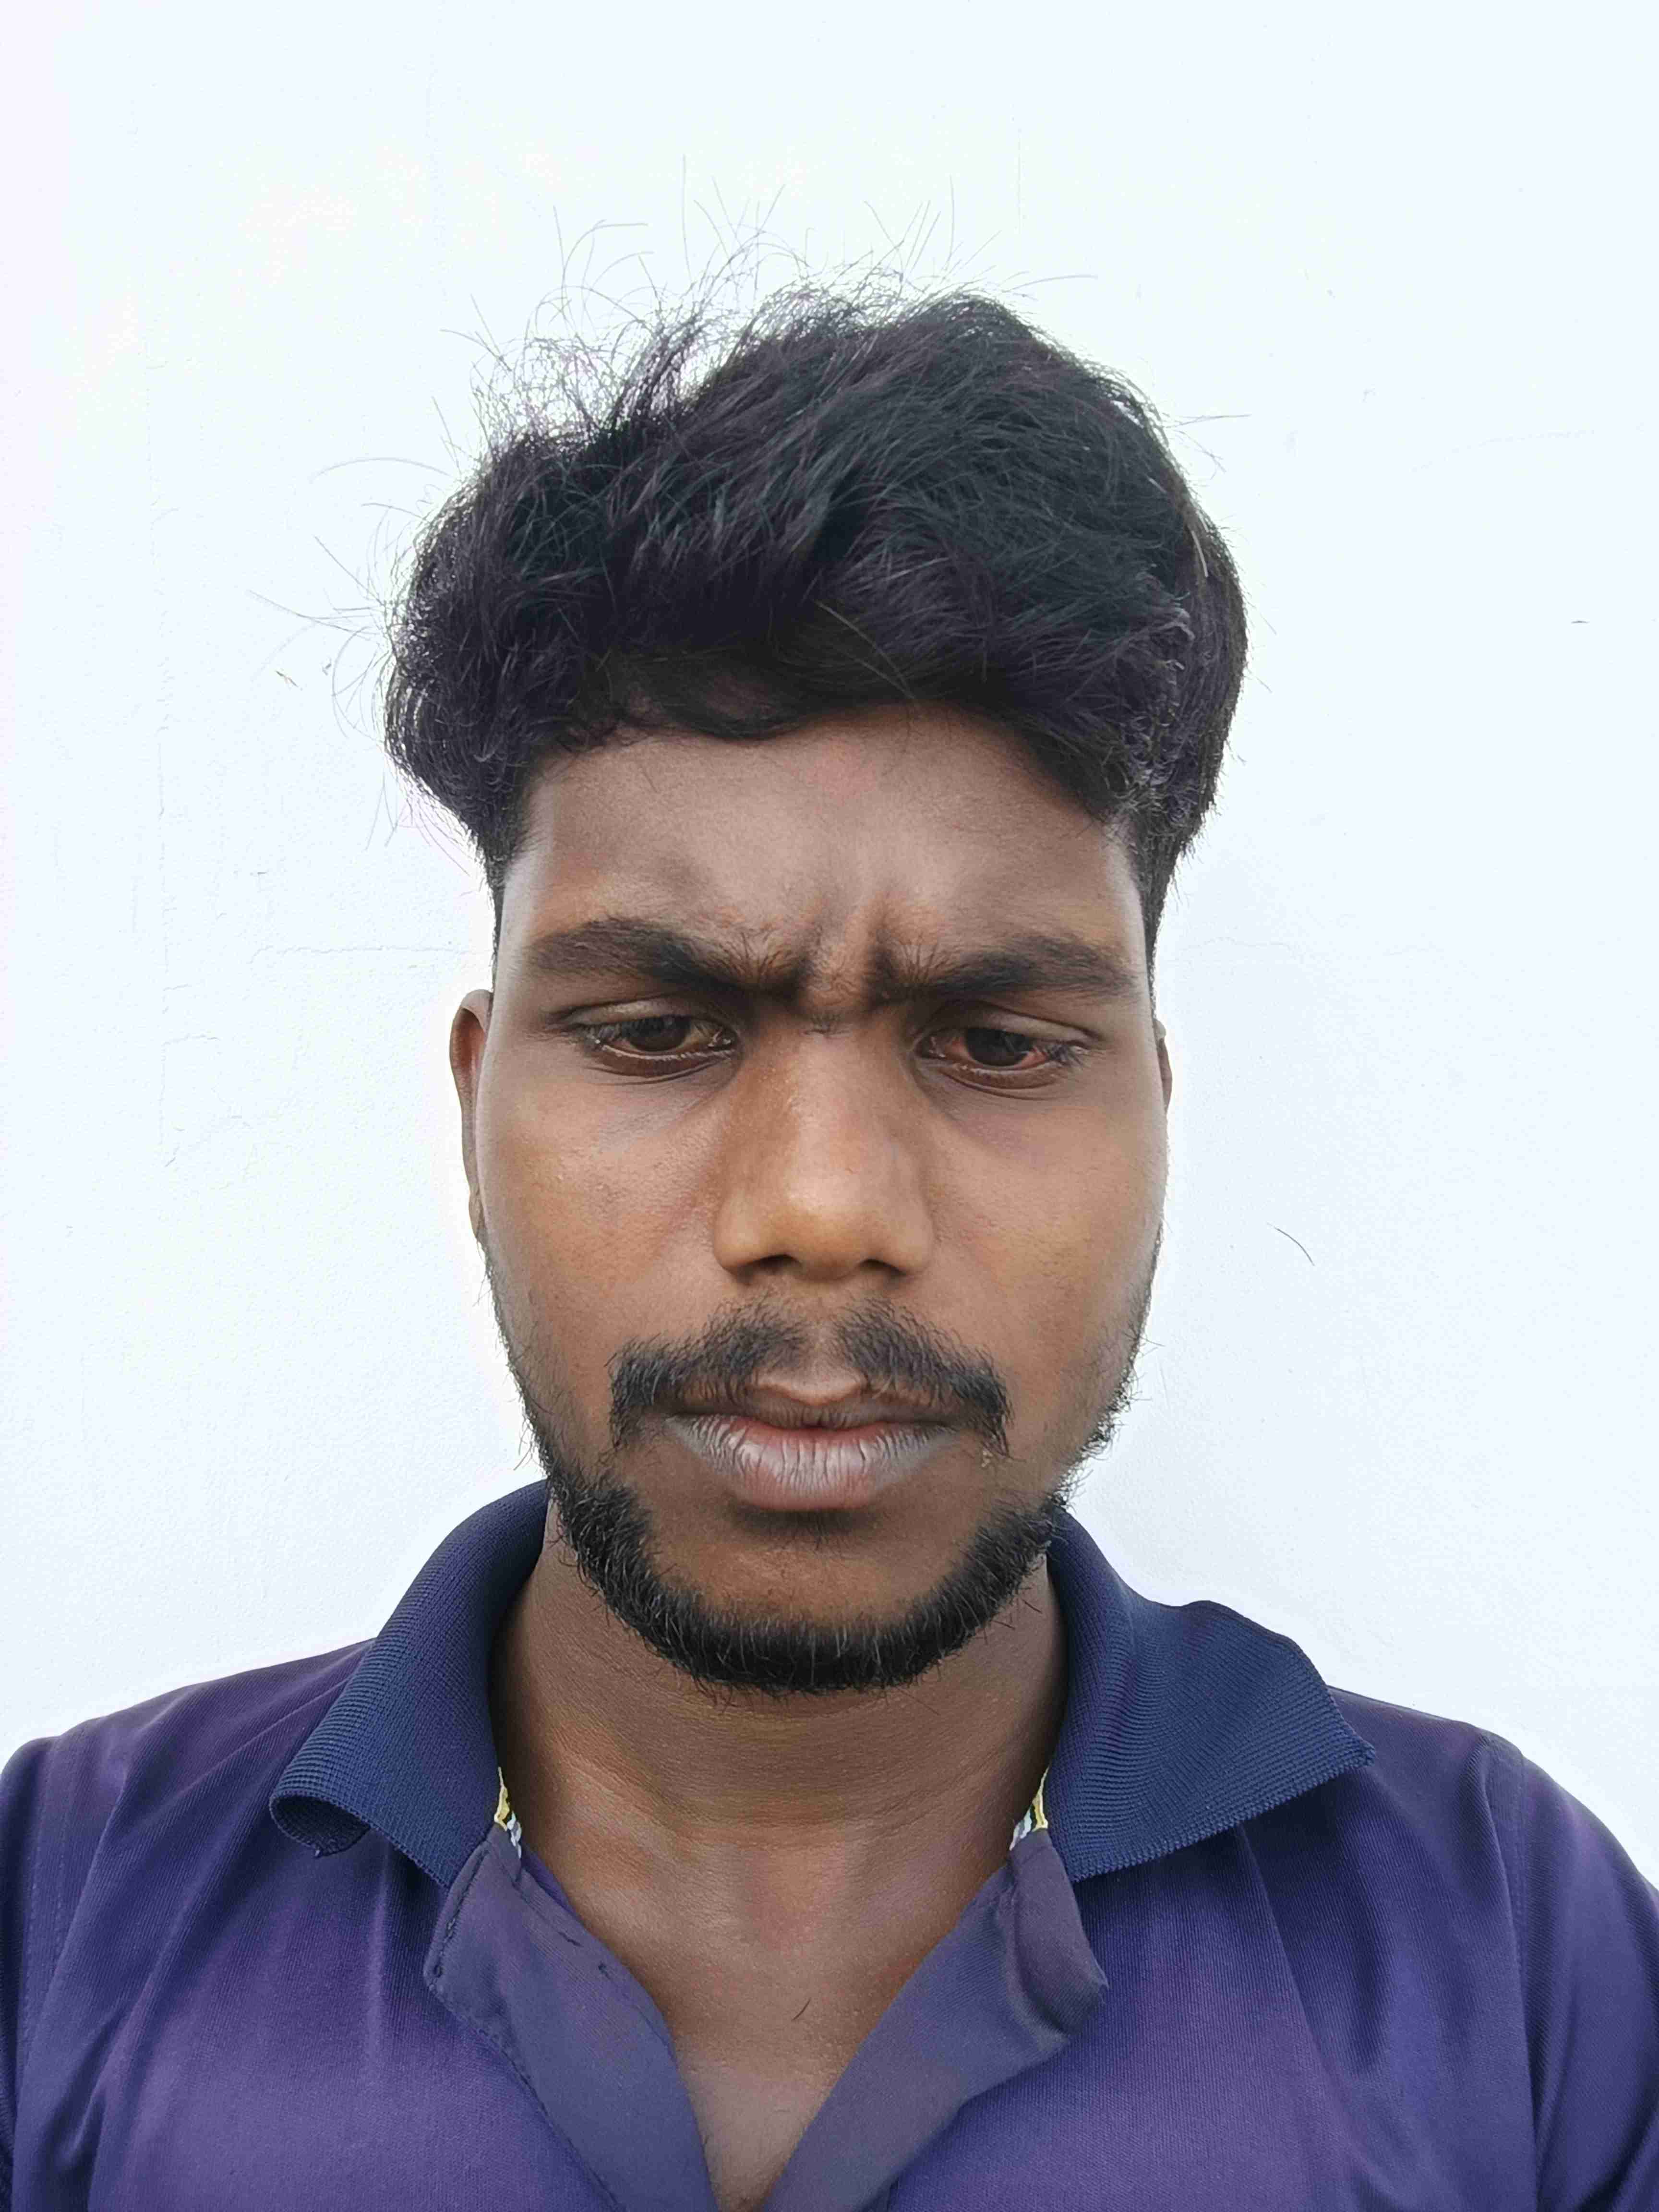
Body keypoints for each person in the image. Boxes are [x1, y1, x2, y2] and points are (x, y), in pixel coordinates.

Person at [2, 285, 1655, 2212]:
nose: (822, 1212)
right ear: (475, 1105)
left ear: (1154, 1107)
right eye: (658, 1030)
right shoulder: (65, 1912)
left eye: (997, 1043)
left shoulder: (1508, 1962)